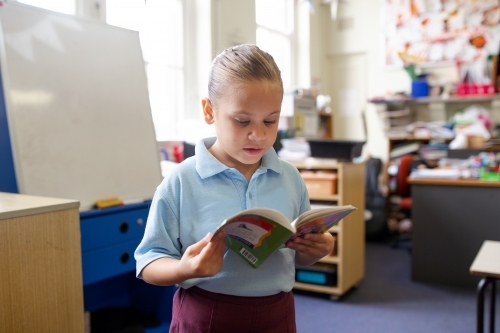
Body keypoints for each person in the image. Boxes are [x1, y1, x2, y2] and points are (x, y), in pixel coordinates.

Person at [135, 44, 335, 333]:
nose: (259, 134)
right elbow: (149, 261)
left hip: (276, 314)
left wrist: (318, 249)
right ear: (209, 111)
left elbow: (298, 252)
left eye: (271, 120)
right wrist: (185, 269)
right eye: (242, 121)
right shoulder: (181, 181)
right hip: (206, 314)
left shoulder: (289, 176)